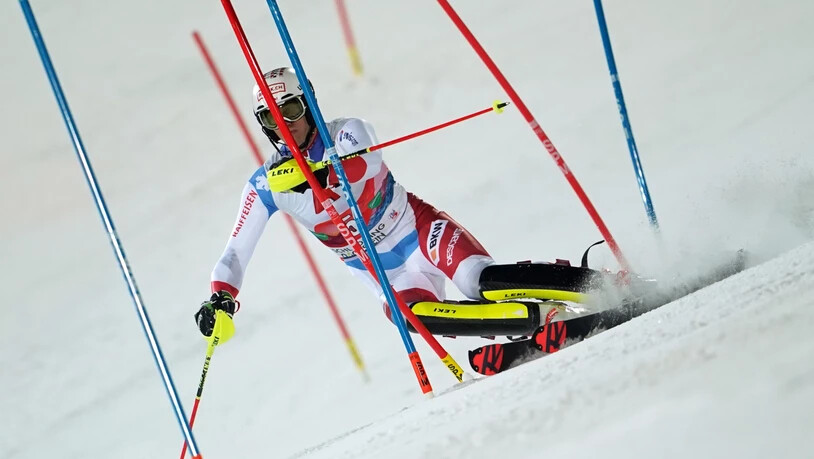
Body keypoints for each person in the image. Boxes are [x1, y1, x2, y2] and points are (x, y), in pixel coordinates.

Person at [194, 67, 587, 341]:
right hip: (388, 274)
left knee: (478, 281)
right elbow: (234, 254)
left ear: (308, 101)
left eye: (292, 110)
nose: (284, 124)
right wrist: (221, 297)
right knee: (409, 316)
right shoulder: (267, 185)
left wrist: (319, 173)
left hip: (419, 231)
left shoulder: (346, 133)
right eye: (271, 117)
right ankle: (536, 320)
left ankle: (592, 285)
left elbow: (366, 162)